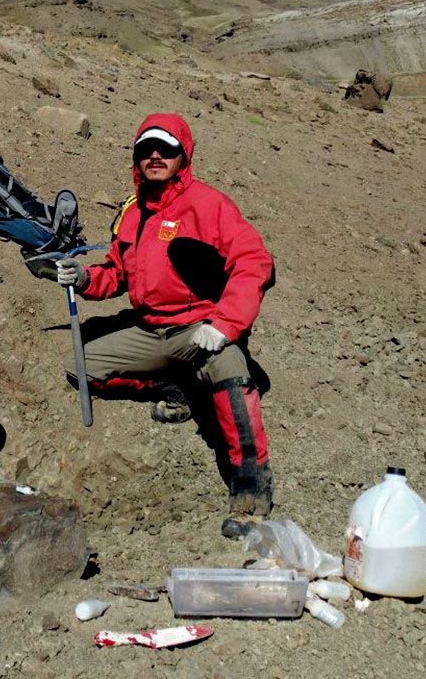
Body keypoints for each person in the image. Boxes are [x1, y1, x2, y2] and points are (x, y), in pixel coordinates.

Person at [55, 113, 275, 538]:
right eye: (145, 150)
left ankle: (251, 488)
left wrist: (226, 324)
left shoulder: (210, 205)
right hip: (151, 328)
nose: (155, 156)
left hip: (200, 327)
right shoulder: (133, 213)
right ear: (136, 159)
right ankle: (178, 387)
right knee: (80, 366)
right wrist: (84, 279)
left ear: (183, 155)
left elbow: (254, 263)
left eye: (166, 149)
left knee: (231, 374)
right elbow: (116, 274)